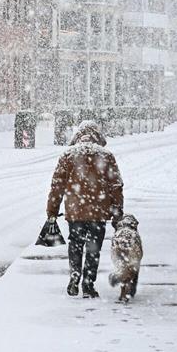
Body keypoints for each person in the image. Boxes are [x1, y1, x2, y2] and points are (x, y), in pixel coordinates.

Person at [46, 120, 124, 298]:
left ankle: (75, 274)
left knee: (75, 243)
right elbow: (116, 186)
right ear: (97, 135)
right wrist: (117, 211)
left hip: (75, 211)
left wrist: (52, 210)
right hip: (98, 212)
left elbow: (57, 186)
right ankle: (88, 284)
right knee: (93, 247)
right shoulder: (105, 155)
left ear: (78, 135)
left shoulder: (68, 155)